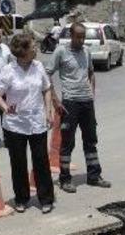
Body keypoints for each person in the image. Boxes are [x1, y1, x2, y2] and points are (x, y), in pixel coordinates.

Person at [0, 33, 55, 214]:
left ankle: (46, 198)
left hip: (37, 122)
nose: (36, 49)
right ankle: (21, 198)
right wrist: (5, 107)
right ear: (23, 51)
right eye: (32, 46)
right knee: (18, 163)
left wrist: (49, 111)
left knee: (41, 161)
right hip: (15, 124)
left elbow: (47, 88)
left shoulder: (39, 66)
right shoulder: (8, 70)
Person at [47, 22, 111, 193]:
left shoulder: (87, 51)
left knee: (91, 140)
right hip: (70, 103)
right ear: (71, 35)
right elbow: (47, 74)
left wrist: (92, 92)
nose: (81, 40)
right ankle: (65, 178)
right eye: (78, 37)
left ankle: (94, 176)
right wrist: (55, 99)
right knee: (67, 142)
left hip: (87, 102)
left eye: (83, 37)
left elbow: (91, 72)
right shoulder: (61, 51)